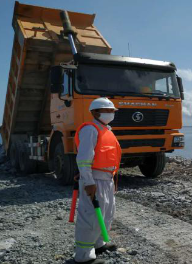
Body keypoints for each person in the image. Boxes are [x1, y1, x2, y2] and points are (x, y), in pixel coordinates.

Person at [73, 97, 122, 264]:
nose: (110, 114)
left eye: (112, 111)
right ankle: (83, 257)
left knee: (107, 213)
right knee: (90, 217)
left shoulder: (106, 130)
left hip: (107, 179)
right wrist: (88, 182)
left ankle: (99, 244)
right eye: (106, 111)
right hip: (95, 179)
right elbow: (84, 159)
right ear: (94, 112)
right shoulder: (90, 129)